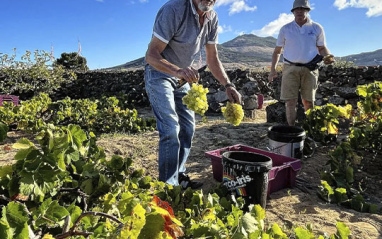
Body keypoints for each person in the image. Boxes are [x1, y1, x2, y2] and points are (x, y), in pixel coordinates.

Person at [144, 0, 242, 189]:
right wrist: (178, 71)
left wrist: (228, 85)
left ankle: (179, 176)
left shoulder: (212, 17)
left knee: (188, 128)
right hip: (159, 74)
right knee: (171, 128)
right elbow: (151, 55)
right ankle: (167, 188)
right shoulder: (173, 10)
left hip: (183, 78)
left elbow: (213, 59)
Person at [268, 0, 334, 126]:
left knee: (308, 101)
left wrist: (328, 56)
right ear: (293, 12)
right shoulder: (286, 29)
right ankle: (291, 129)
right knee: (290, 101)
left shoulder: (316, 28)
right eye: (297, 9)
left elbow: (322, 48)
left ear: (307, 11)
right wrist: (273, 70)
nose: (299, 11)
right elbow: (277, 51)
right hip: (290, 68)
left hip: (310, 68)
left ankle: (310, 129)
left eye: (302, 9)